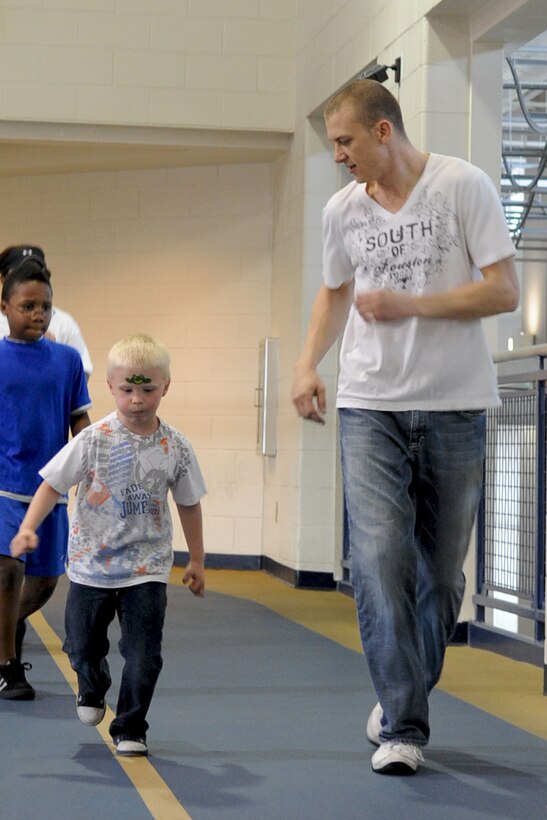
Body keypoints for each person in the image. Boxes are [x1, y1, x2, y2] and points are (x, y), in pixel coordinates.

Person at [291, 79, 519, 776]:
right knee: (380, 558)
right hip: (370, 406)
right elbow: (333, 291)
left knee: (441, 578)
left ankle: (403, 689)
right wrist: (307, 365)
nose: (338, 157)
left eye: (344, 141)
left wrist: (412, 306)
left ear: (382, 132)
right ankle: (402, 722)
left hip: (454, 406)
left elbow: (503, 288)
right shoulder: (341, 211)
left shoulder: (462, 186)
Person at [11, 333, 206, 757]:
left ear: (166, 387)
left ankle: (131, 725)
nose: (137, 399)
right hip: (90, 566)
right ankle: (92, 684)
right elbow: (50, 484)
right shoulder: (93, 439)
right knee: (80, 644)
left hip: (147, 568)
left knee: (144, 655)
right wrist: (29, 528)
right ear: (110, 388)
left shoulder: (176, 446)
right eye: (128, 389)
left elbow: (189, 504)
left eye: (148, 389)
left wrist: (197, 558)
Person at [0, 257, 91, 699]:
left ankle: (3, 640)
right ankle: (7, 666)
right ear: (4, 307)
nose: (37, 314)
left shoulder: (67, 361)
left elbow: (80, 422)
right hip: (3, 488)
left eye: (46, 307)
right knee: (7, 573)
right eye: (27, 305)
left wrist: (95, 472)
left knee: (44, 583)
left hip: (51, 490)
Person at [0, 245, 93, 379]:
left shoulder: (63, 321)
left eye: (37, 271)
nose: (30, 276)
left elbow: (82, 370)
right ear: (4, 279)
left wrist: (53, 356)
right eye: (21, 272)